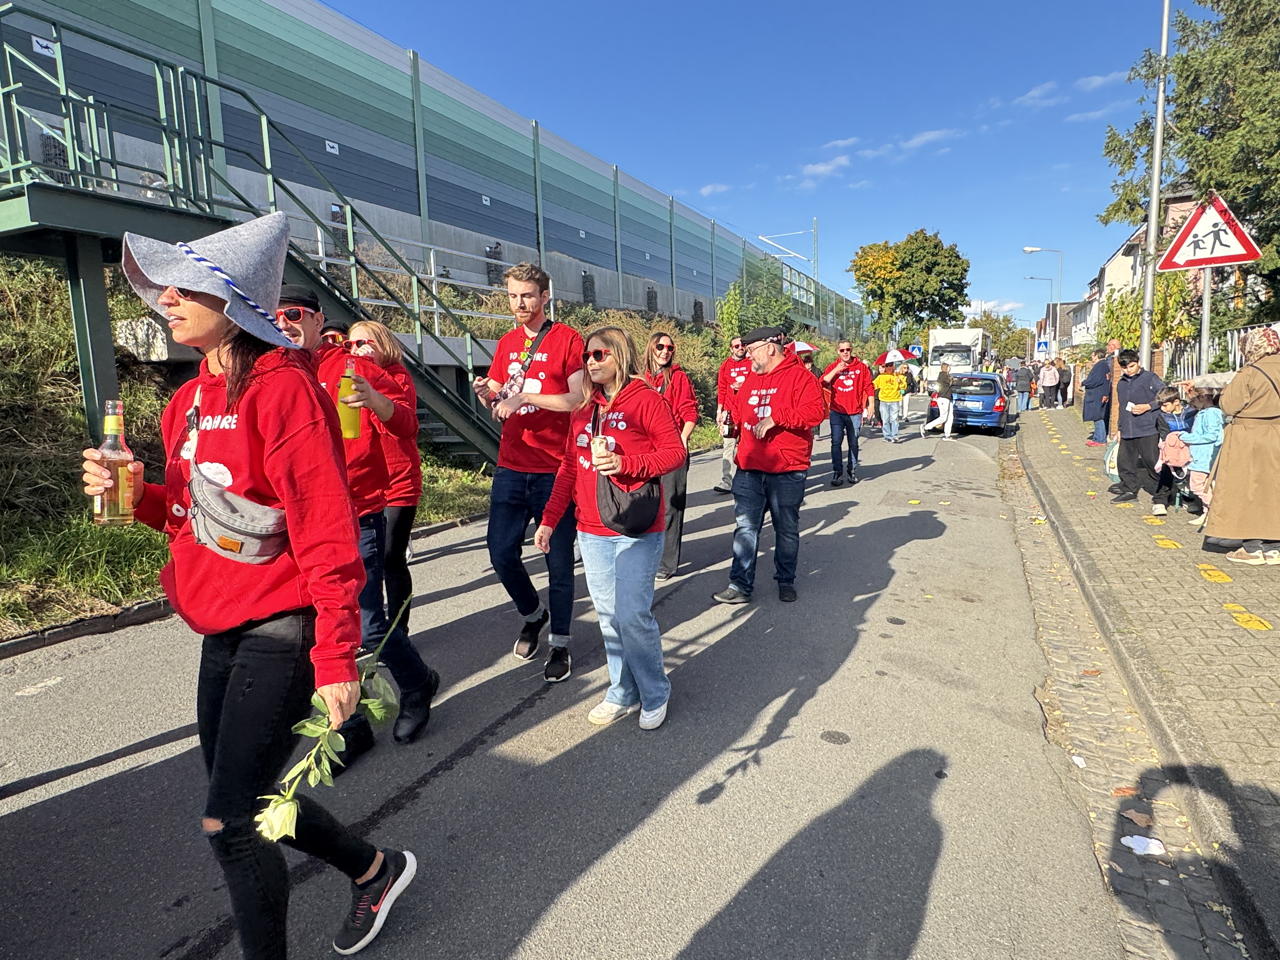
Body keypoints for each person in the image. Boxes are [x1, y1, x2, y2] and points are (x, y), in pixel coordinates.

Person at [81, 213, 414, 959]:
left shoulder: (284, 391)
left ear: (231, 300)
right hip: (220, 624)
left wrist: (335, 657)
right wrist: (135, 495)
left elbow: (326, 531)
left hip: (283, 624)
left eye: (183, 286)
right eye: (162, 286)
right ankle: (374, 868)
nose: (164, 299)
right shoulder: (186, 402)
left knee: (229, 823)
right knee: (255, 800)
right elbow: (197, 518)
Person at [275, 286, 439, 754]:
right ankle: (350, 728)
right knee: (313, 633)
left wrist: (375, 401)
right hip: (300, 524)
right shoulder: (275, 373)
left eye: (295, 313)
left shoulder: (352, 368)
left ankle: (417, 684)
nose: (284, 323)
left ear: (316, 319)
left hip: (358, 514)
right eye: (275, 315)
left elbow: (407, 423)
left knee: (367, 626)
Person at [534, 327, 686, 728]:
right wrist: (550, 519)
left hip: (637, 524)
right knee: (607, 616)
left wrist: (627, 466)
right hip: (591, 528)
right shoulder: (585, 406)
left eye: (600, 354)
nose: (591, 362)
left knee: (632, 613)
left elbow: (674, 452)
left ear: (620, 355)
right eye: (587, 356)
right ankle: (622, 690)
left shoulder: (645, 400)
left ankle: (655, 690)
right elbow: (569, 466)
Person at [472, 262, 585, 681]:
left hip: (555, 469)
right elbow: (501, 397)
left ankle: (560, 643)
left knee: (558, 562)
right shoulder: (505, 343)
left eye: (527, 295)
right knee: (501, 552)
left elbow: (575, 399)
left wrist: (521, 398)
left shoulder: (566, 339)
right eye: (513, 296)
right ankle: (533, 614)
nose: (519, 303)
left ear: (544, 297)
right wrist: (489, 394)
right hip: (511, 464)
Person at [712, 326, 826, 605]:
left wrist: (778, 418)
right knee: (745, 528)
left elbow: (817, 412)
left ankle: (785, 580)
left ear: (770, 348)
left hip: (786, 470)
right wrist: (730, 421)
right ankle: (740, 585)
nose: (747, 355)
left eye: (751, 350)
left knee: (785, 528)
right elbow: (739, 411)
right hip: (749, 468)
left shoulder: (801, 377)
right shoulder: (752, 378)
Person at [346, 319, 423, 665]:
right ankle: (374, 627)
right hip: (372, 482)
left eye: (366, 342)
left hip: (399, 481)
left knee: (391, 559)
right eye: (351, 344)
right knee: (371, 562)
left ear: (383, 343)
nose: (358, 349)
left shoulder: (395, 375)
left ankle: (398, 631)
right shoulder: (352, 378)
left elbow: (398, 423)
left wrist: (372, 394)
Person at [1204, 328, 1280, 564]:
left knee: (1247, 490)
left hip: (1248, 437)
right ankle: (1274, 547)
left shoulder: (1250, 372)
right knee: (1273, 489)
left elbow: (1228, 405)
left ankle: (1252, 547)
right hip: (1277, 433)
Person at [643, 331, 698, 580]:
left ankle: (666, 563)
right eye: (660, 347)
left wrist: (682, 441)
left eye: (670, 347)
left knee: (670, 507)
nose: (665, 351)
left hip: (671, 449)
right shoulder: (639, 376)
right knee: (643, 505)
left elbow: (689, 412)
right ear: (651, 349)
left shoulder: (678, 377)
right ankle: (644, 557)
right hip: (644, 451)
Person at [1111, 349, 1169, 513]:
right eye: (1125, 368)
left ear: (1138, 362)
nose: (1128, 370)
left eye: (1131, 366)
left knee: (1152, 462)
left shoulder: (1150, 378)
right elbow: (1121, 407)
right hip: (1128, 429)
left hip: (1147, 428)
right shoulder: (1121, 383)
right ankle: (1130, 489)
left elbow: (1164, 396)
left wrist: (1148, 407)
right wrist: (1119, 429)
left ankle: (1164, 492)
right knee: (1124, 462)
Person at [821, 341, 873, 486]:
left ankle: (852, 470)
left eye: (848, 349)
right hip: (837, 411)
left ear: (851, 350)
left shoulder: (861, 367)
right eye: (842, 350)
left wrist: (871, 405)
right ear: (838, 351)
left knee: (853, 442)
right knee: (836, 442)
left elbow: (869, 386)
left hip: (854, 412)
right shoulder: (833, 366)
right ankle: (837, 472)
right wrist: (837, 369)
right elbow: (823, 382)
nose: (845, 352)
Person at [713, 335, 752, 493]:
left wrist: (745, 385)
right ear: (731, 349)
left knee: (748, 446)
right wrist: (719, 411)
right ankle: (726, 482)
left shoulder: (752, 363)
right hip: (730, 413)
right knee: (728, 445)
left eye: (742, 345)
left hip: (748, 411)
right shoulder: (725, 366)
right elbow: (722, 389)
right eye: (736, 346)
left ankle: (748, 480)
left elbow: (759, 381)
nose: (740, 348)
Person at [1180, 390, 1224, 527]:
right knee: (1208, 486)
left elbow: (1212, 435)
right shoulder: (1207, 413)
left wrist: (1187, 437)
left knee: (1197, 485)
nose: (1191, 404)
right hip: (1203, 455)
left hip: (1205, 456)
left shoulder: (1210, 414)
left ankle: (1215, 511)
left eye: (1193, 400)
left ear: (1203, 397)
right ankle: (1207, 513)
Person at [1081, 348, 1111, 445]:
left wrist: (1084, 382)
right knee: (1098, 416)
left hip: (1097, 394)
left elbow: (1095, 380)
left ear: (1097, 356)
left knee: (1097, 416)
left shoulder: (1100, 366)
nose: (1092, 357)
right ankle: (1098, 437)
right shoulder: (1103, 365)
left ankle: (1100, 439)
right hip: (1100, 393)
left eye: (1093, 355)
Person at [920, 362, 956, 440]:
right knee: (943, 417)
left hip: (948, 398)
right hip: (943, 398)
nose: (950, 369)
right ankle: (925, 427)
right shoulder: (943, 375)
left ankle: (947, 435)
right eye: (948, 367)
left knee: (950, 417)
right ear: (945, 368)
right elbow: (951, 382)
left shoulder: (946, 375)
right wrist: (952, 378)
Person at [873, 362, 907, 443]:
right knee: (885, 419)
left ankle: (895, 436)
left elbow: (904, 386)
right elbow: (873, 385)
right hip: (884, 400)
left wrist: (900, 382)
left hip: (894, 400)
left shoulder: (898, 376)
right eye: (886, 366)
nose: (889, 367)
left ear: (893, 366)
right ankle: (887, 436)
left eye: (890, 365)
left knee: (894, 419)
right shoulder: (881, 377)